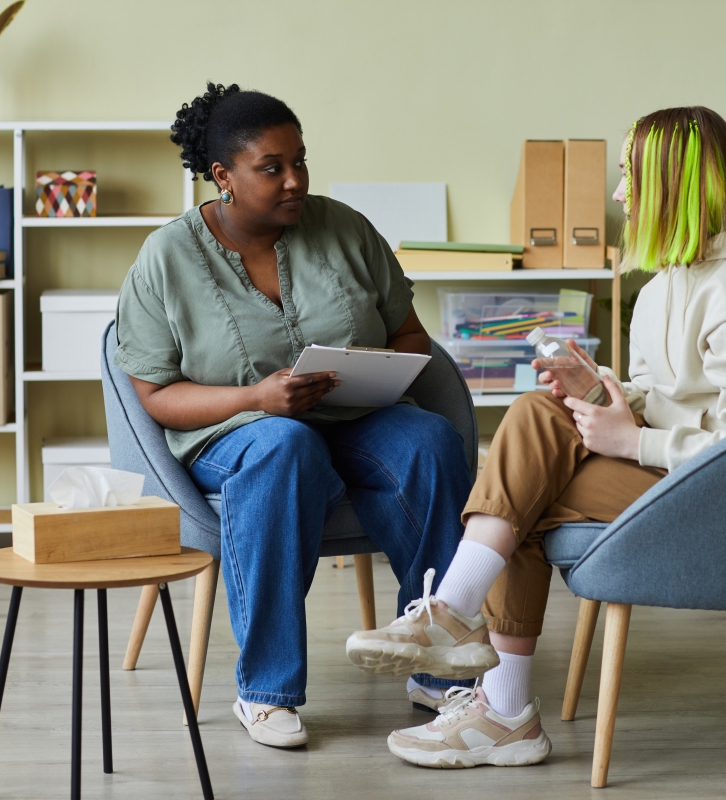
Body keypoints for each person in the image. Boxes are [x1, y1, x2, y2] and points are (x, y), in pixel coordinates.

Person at [346, 106, 726, 768]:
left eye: (631, 175)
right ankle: (473, 653)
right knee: (531, 440)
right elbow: (673, 399)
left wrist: (632, 443)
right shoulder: (671, 282)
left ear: (672, 185)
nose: (618, 193)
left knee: (522, 487)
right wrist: (605, 395)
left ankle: (490, 684)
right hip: (680, 474)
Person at [114, 83, 480, 749]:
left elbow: (410, 336)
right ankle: (266, 689)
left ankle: (436, 665)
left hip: (355, 417)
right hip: (233, 432)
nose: (295, 180)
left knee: (428, 439)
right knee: (285, 446)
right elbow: (155, 394)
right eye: (272, 167)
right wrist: (254, 399)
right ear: (223, 175)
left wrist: (374, 373)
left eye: (300, 161)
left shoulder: (346, 229)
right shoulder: (166, 257)